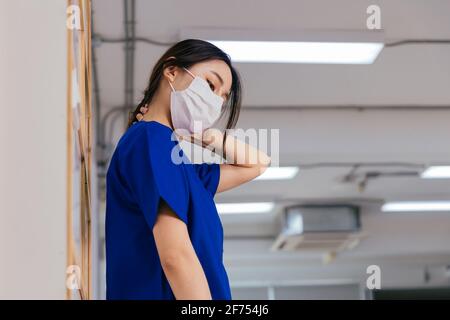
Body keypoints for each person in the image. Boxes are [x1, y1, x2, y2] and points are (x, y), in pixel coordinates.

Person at [105, 39, 270, 300]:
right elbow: (176, 257)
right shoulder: (151, 140)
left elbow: (258, 163)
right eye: (210, 84)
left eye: (222, 98)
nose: (215, 102)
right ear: (172, 71)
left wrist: (205, 135)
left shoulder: (179, 165)